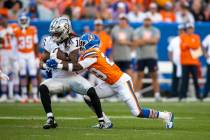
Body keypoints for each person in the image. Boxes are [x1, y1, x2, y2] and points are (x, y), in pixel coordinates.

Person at [46, 33, 174, 129]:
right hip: (109, 84)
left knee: (137, 112)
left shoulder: (93, 53)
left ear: (88, 44)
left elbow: (78, 67)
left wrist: (58, 65)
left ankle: (166, 115)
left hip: (121, 82)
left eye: (82, 44)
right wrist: (57, 68)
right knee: (88, 97)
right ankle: (105, 121)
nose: (80, 46)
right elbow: (76, 70)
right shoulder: (89, 54)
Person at [39, 16, 112, 129]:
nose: (54, 36)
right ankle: (50, 118)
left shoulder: (75, 40)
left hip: (73, 78)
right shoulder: (49, 41)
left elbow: (73, 61)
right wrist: (46, 65)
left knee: (91, 92)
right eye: (54, 33)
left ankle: (102, 120)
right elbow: (41, 62)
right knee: (43, 87)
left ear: (65, 31)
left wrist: (57, 58)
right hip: (57, 79)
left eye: (57, 33)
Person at [133, 16, 161, 101]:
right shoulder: (138, 30)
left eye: (148, 20)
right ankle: (137, 93)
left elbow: (155, 41)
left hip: (152, 56)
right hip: (141, 56)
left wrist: (143, 41)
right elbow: (136, 42)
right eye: (146, 20)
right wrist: (149, 40)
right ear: (143, 21)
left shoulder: (155, 30)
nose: (147, 22)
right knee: (139, 75)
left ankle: (157, 94)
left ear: (151, 21)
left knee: (154, 75)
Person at [13, 14, 39, 103]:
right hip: (20, 54)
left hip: (30, 54)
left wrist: (37, 57)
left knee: (33, 74)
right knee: (23, 74)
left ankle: (35, 96)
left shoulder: (32, 29)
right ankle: (24, 96)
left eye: (25, 20)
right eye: (22, 20)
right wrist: (15, 59)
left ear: (27, 20)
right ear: (19, 21)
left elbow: (35, 44)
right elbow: (14, 46)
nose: (23, 22)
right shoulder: (16, 31)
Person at [179, 23, 202, 100]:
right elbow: (182, 47)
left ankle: (198, 95)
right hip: (185, 62)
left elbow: (196, 46)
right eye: (189, 28)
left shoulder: (196, 37)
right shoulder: (182, 37)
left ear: (193, 29)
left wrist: (188, 45)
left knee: (196, 79)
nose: (190, 30)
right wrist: (191, 45)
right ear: (187, 29)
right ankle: (182, 96)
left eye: (191, 28)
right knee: (184, 80)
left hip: (194, 62)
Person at [0, 16, 20, 102]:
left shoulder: (14, 27)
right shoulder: (1, 30)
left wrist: (10, 32)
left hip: (13, 53)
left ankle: (15, 94)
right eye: (2, 20)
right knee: (4, 72)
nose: (3, 21)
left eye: (4, 19)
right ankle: (4, 94)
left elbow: (17, 35)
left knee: (15, 72)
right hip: (4, 53)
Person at [167, 24, 185, 97]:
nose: (181, 32)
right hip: (176, 62)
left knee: (184, 79)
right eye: (180, 30)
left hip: (185, 62)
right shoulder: (174, 40)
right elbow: (170, 50)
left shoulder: (188, 39)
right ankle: (174, 93)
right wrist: (171, 60)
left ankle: (183, 93)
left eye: (183, 30)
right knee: (175, 78)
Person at [202, 34, 210, 98]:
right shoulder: (209, 37)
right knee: (208, 79)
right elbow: (203, 45)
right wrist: (205, 53)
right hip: (209, 62)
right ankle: (205, 95)